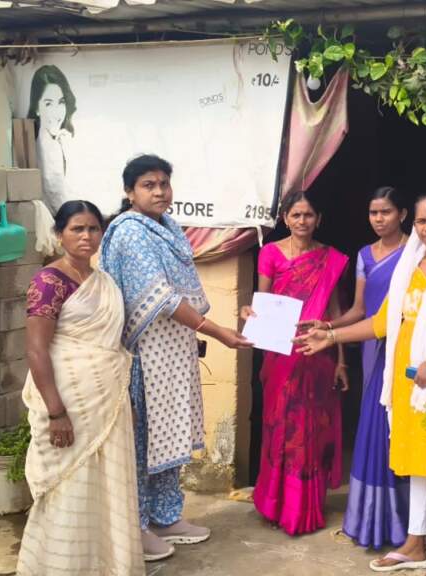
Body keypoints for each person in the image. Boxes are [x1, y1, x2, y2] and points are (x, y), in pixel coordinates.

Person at [298, 192, 426, 576]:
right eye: (422, 221)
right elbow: (379, 323)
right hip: (411, 382)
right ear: (414, 225)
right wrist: (331, 336)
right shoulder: (408, 268)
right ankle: (415, 543)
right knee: (418, 462)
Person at [100, 154, 252, 562]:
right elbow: (161, 298)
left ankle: (166, 517)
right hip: (142, 355)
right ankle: (136, 526)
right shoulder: (130, 232)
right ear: (129, 191)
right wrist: (217, 331)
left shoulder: (168, 227)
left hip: (172, 352)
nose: (159, 192)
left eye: (164, 183)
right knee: (142, 442)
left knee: (169, 436)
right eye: (148, 185)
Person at [16, 201, 143, 575]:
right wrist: (56, 412)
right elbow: (36, 349)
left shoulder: (104, 281)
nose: (86, 236)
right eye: (77, 229)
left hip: (107, 398)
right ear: (59, 234)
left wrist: (125, 400)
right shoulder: (49, 281)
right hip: (68, 400)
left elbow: (113, 343)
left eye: (93, 228)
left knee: (107, 486)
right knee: (68, 486)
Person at [303, 186, 410, 549]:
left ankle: (405, 521)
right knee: (374, 423)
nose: (379, 219)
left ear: (402, 214)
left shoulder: (416, 252)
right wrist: (327, 326)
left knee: (398, 426)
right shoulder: (365, 254)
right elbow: (359, 310)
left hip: (406, 346)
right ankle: (372, 520)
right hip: (371, 346)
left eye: (386, 212)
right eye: (373, 213)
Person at [242, 191, 349, 535]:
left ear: (319, 219)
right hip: (280, 354)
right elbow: (263, 301)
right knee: (279, 426)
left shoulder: (330, 258)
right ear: (285, 219)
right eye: (296, 215)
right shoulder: (270, 253)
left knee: (310, 430)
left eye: (308, 215)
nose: (302, 221)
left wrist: (341, 361)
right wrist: (248, 312)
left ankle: (304, 508)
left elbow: (335, 312)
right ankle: (275, 503)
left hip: (318, 354)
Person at [28, 64, 77, 214]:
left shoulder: (57, 140)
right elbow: (55, 194)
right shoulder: (47, 145)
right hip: (59, 218)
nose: (57, 112)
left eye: (61, 102)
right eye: (48, 104)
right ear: (37, 108)